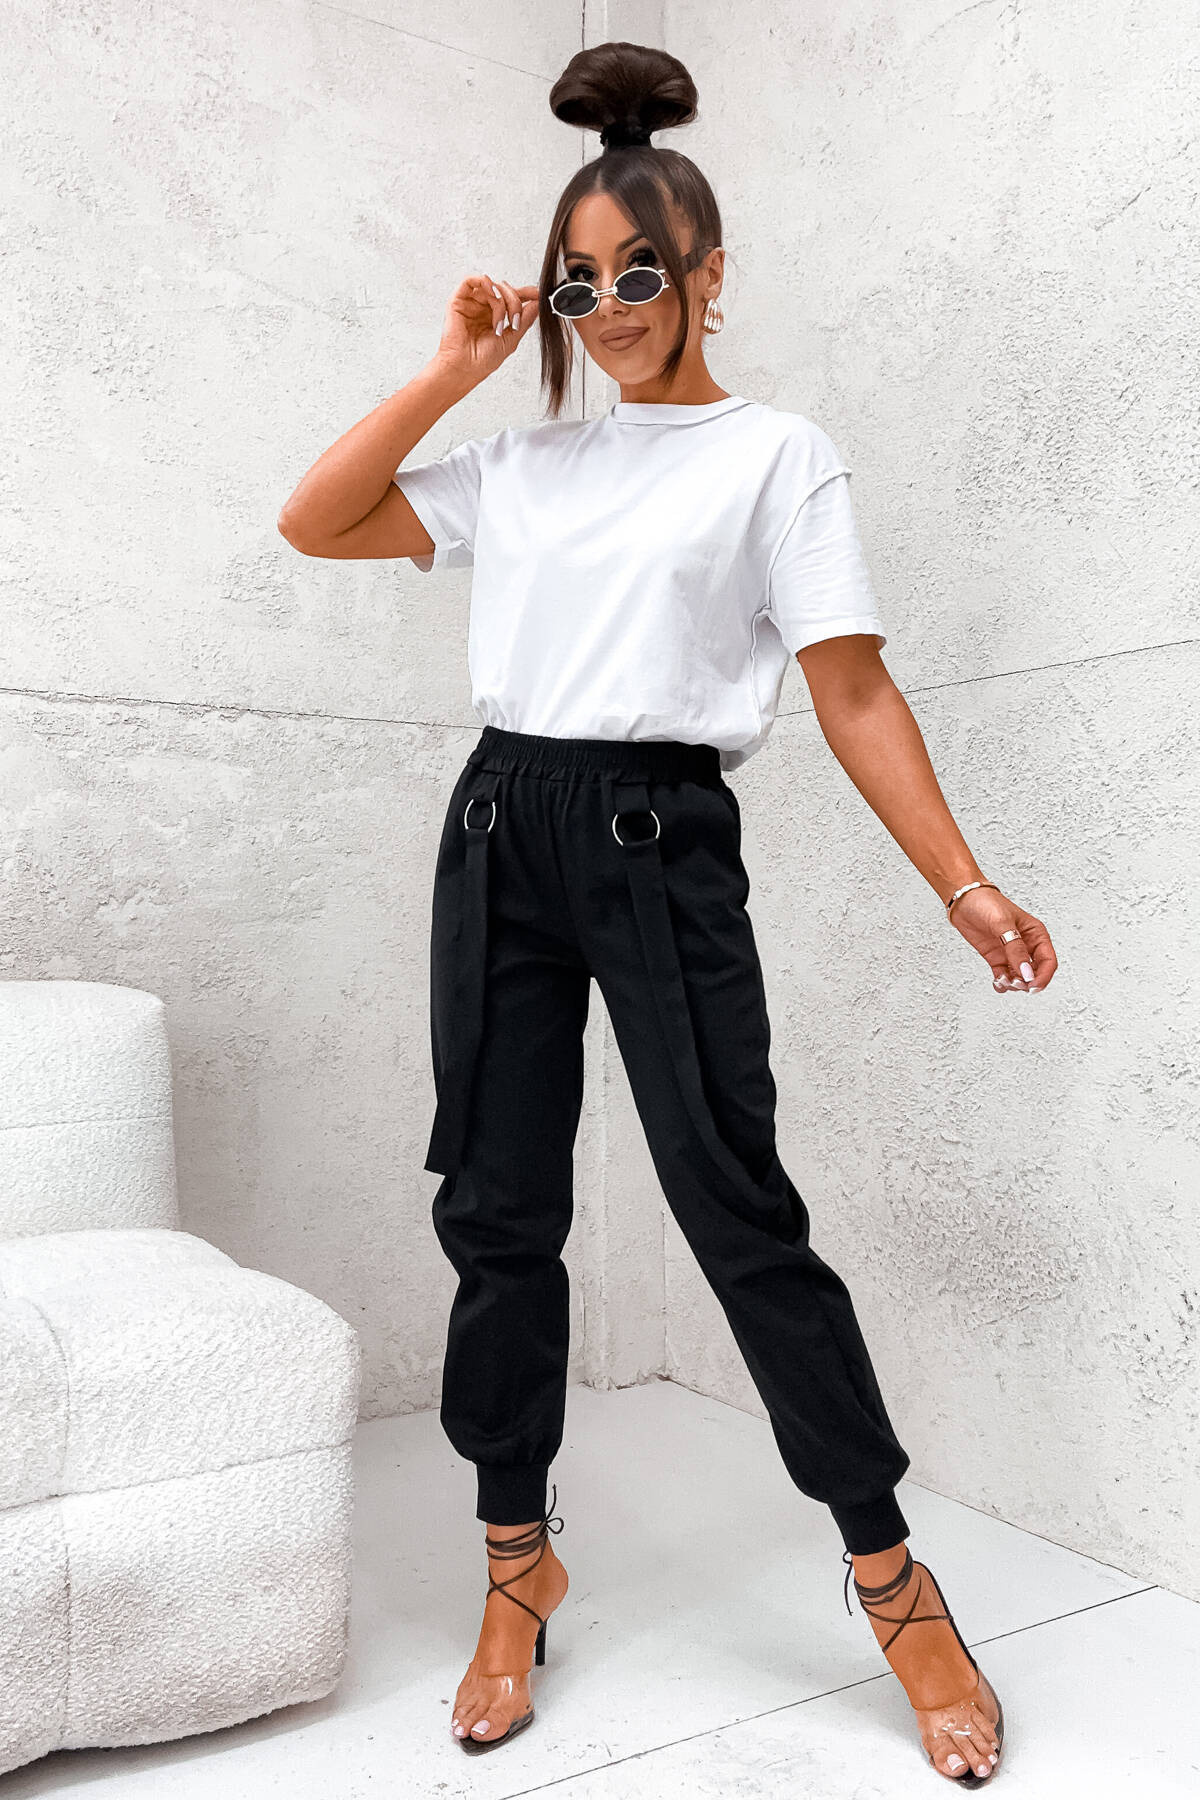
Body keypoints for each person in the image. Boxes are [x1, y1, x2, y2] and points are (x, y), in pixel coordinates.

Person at [279, 38, 1056, 1786]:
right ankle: (515, 1568)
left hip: (659, 836)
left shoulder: (777, 457)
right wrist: (458, 366)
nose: (612, 308)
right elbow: (314, 520)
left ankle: (893, 1583)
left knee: (736, 1206)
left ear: (709, 273)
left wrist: (963, 880)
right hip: (502, 827)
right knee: (497, 1210)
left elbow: (852, 689)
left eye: (641, 272)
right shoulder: (526, 463)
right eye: (581, 282)